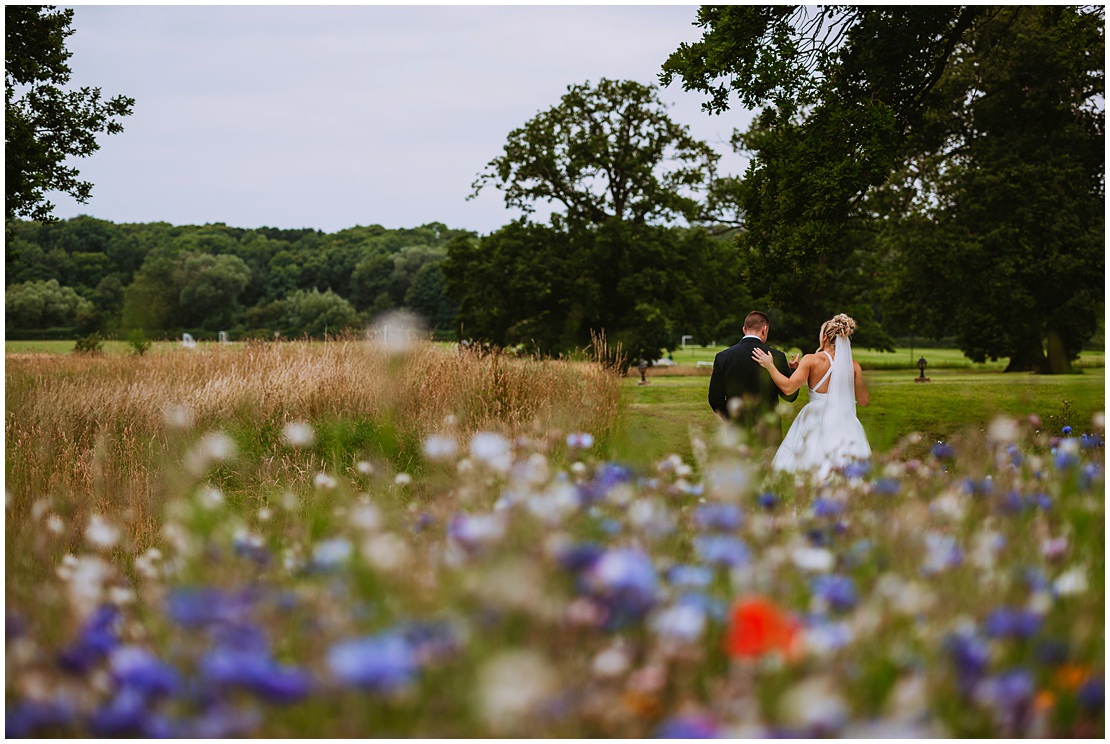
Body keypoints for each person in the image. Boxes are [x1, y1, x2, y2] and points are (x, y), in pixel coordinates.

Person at [752, 313, 871, 475]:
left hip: (815, 417)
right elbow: (864, 401)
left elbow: (787, 388)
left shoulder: (811, 360)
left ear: (824, 338)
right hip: (845, 419)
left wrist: (770, 366)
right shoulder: (854, 366)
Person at [708, 311, 799, 443]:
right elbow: (790, 396)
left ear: (744, 329)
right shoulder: (777, 356)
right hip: (768, 432)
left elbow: (715, 399)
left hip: (736, 432)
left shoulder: (723, 357)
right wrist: (792, 372)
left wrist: (731, 419)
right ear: (765, 329)